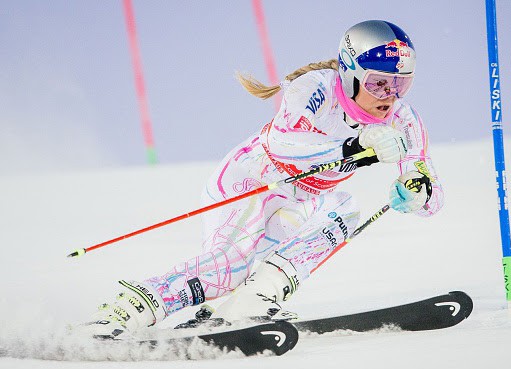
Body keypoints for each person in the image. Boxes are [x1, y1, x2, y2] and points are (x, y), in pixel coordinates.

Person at [82, 19, 443, 339]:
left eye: (402, 85)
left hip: (301, 198)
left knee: (346, 211)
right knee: (229, 268)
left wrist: (417, 192)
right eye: (379, 84)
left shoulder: (403, 120)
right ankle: (127, 309)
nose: (390, 97)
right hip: (252, 180)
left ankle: (252, 301)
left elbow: (428, 188)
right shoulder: (314, 88)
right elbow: (283, 145)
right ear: (350, 75)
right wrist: (351, 145)